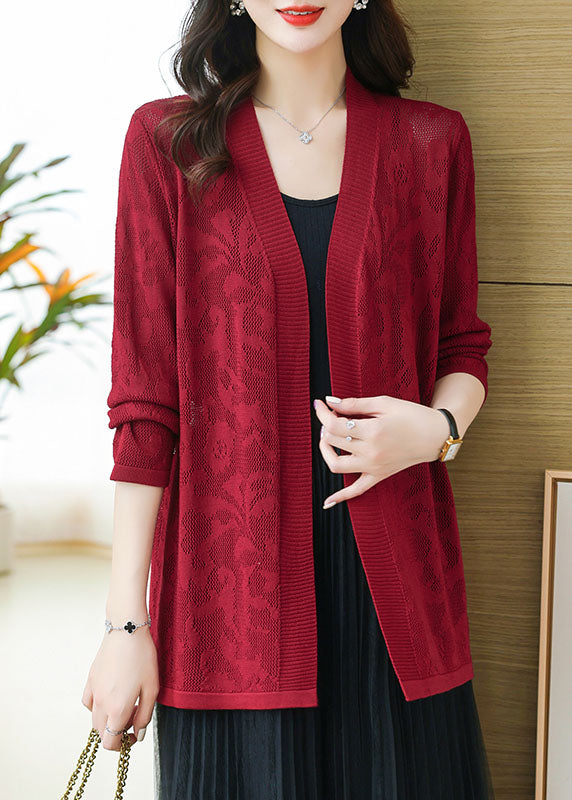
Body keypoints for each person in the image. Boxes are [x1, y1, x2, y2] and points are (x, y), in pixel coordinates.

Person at [82, 0, 497, 797]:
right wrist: (125, 624)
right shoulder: (169, 142)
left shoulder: (431, 142)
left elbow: (461, 345)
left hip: (396, 601)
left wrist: (438, 430)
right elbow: (144, 405)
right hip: (229, 609)